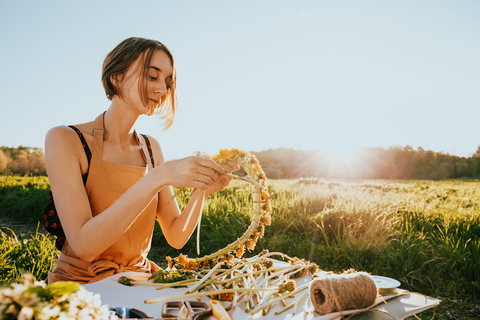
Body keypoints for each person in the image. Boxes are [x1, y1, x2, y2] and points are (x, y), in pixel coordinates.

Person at [45, 37, 239, 284]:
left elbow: (176, 236)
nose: (163, 89)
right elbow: (84, 245)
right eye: (152, 76)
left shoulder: (150, 147)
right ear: (116, 76)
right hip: (81, 284)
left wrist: (202, 191)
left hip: (138, 281)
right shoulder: (65, 139)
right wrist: (158, 177)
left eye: (168, 81)